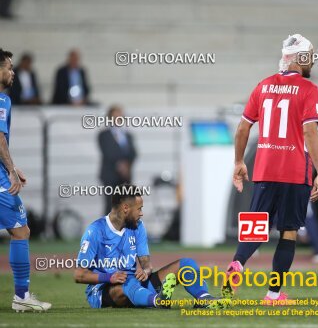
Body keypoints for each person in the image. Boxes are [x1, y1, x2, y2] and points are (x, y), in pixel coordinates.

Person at [222, 34, 318, 304]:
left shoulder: (263, 85)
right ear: (300, 58)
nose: (312, 59)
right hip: (294, 171)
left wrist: (238, 161)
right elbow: (310, 131)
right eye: (310, 55)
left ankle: (237, 265)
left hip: (265, 169)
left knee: (256, 228)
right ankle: (273, 294)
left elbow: (243, 127)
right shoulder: (308, 89)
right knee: (288, 232)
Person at [74, 184, 231, 309]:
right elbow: (79, 275)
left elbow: (146, 264)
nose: (141, 213)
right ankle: (158, 301)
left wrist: (146, 270)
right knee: (127, 283)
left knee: (186, 263)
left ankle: (203, 298)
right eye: (139, 209)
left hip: (136, 283)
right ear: (125, 209)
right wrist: (109, 277)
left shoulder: (138, 226)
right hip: (105, 291)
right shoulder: (95, 231)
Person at [0, 48, 51, 312]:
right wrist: (10, 170)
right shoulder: (0, 100)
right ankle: (21, 297)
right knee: (21, 231)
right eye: (8, 67)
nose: (13, 72)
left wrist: (12, 165)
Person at [98, 106, 137, 215]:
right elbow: (108, 152)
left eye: (120, 116)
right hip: (110, 176)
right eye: (116, 116)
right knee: (110, 205)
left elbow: (133, 153)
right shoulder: (104, 135)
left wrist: (127, 165)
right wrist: (120, 164)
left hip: (125, 177)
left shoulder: (128, 135)